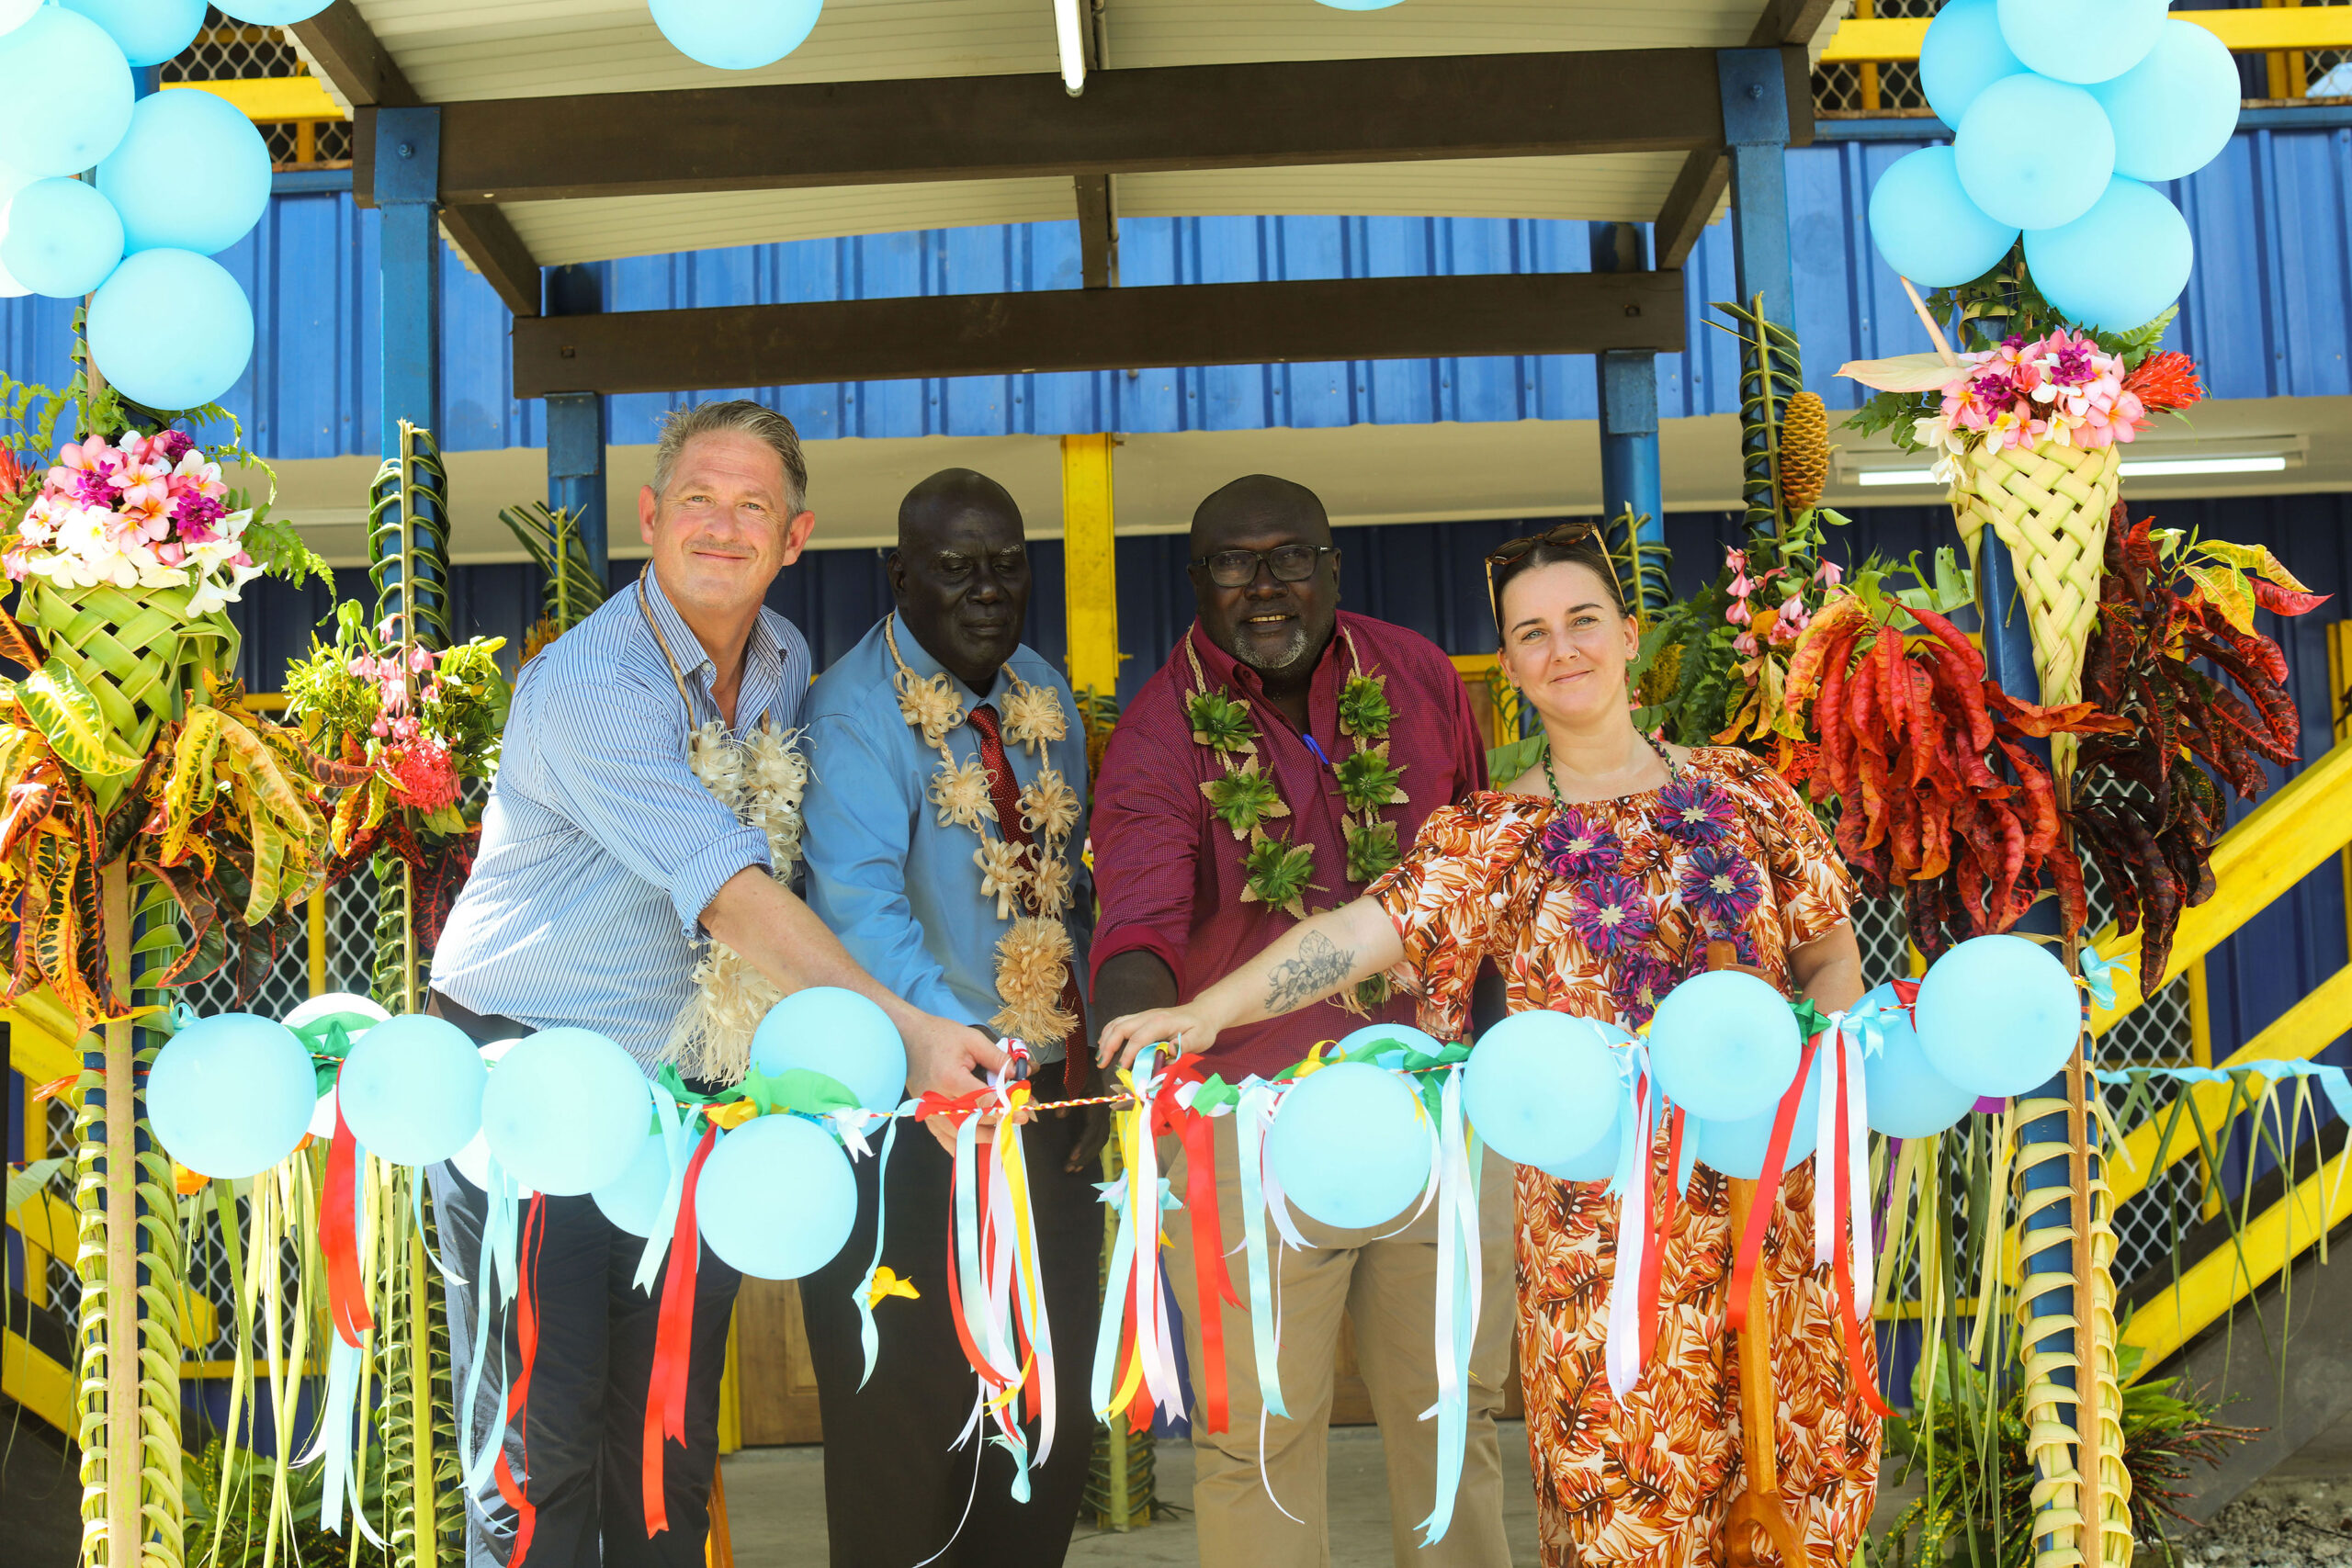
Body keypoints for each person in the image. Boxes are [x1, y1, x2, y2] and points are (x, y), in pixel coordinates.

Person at [1098, 522, 1880, 1568]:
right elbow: (1350, 936)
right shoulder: (1488, 836)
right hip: (1594, 1238)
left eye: (1583, 621)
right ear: (1508, 667)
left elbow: (1830, 952)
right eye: (1532, 632)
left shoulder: (1746, 793)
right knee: (1630, 1510)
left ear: (1630, 636)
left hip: (1762, 1207)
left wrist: (1812, 1076)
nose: (1564, 648)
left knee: (1799, 1501)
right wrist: (1204, 1015)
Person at [425, 402, 1005, 1568]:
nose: (722, 528)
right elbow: (730, 891)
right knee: (539, 1458)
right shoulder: (592, 684)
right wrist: (907, 1031)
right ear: (650, 518)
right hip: (536, 1075)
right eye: (697, 499)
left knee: (669, 1445)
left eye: (753, 507)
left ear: (794, 538)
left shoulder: (786, 661)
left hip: (688, 1098)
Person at [1089, 474, 1510, 1568]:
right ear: (1195, 582)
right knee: (1255, 1438)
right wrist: (1139, 1044)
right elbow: (1135, 924)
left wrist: (1495, 1067)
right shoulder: (1154, 731)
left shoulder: (1416, 675)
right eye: (1234, 564)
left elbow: (1477, 880)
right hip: (1248, 1123)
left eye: (1290, 559)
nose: (1264, 588)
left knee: (1453, 1421)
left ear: (1332, 568)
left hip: (1432, 1103)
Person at [793, 468, 1108, 1568]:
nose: (986, 589)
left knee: (1040, 1417)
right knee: (906, 1429)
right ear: (902, 577)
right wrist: (957, 1059)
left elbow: (1069, 888)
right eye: (955, 567)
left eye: (1007, 563)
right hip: (914, 1121)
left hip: (1050, 1110)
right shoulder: (849, 708)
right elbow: (860, 910)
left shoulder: (1043, 692)